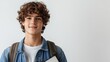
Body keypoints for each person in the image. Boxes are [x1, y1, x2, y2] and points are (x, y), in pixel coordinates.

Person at [0, 1, 67, 62]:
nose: (33, 22)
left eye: (38, 18)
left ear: (43, 22)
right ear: (22, 22)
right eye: (29, 18)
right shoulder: (9, 53)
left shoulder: (57, 52)